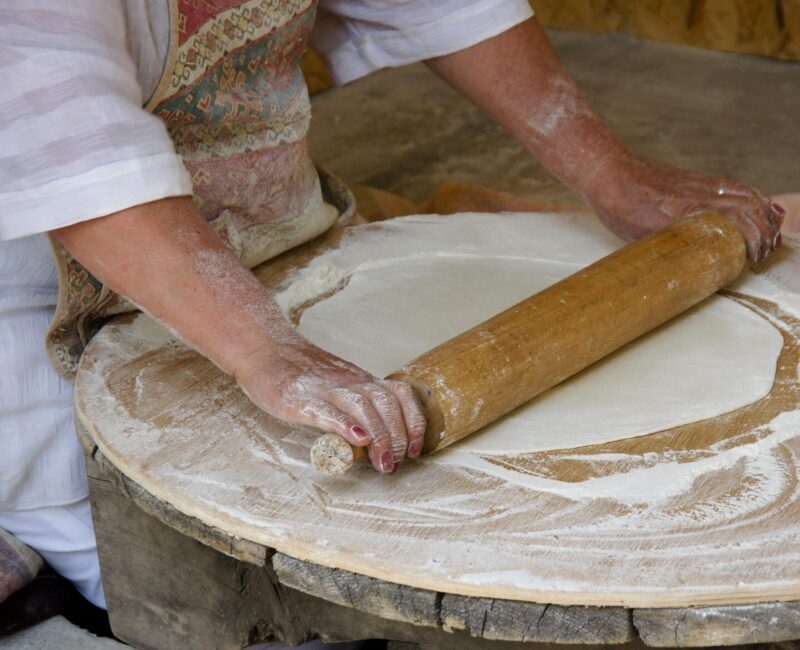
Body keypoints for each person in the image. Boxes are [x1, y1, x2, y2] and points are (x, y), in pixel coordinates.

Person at [0, 0, 784, 643]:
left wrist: (613, 174)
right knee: (151, 528)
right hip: (34, 292)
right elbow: (63, 143)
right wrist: (266, 349)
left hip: (256, 233)